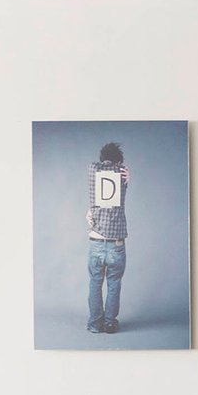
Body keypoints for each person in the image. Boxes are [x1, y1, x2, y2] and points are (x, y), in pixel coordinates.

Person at [86, 141, 130, 334]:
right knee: (114, 283)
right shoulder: (122, 176)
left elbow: (97, 165)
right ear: (118, 162)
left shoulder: (93, 171)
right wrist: (125, 173)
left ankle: (95, 324)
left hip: (96, 241)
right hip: (116, 244)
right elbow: (117, 168)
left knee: (95, 283)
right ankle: (110, 323)